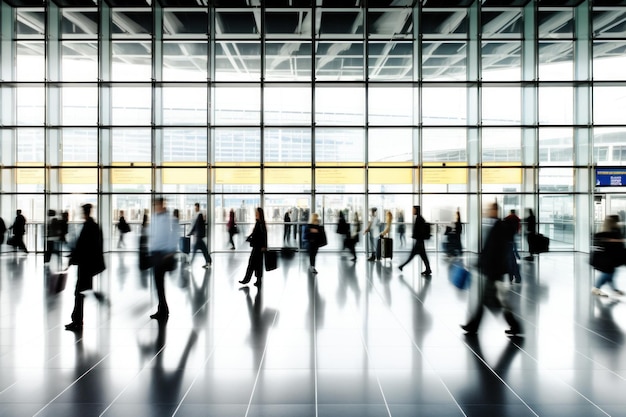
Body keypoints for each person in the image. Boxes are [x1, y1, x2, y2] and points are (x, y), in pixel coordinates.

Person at [461, 202, 522, 336]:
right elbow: (490, 249)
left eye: (490, 209)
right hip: (495, 270)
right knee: (494, 300)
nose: (488, 212)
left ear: (495, 211)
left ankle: (514, 325)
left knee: (494, 300)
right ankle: (474, 325)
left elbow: (495, 250)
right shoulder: (497, 226)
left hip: (496, 271)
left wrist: (484, 263)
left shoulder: (499, 226)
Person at [65, 204, 106, 332]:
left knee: (79, 292)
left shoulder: (89, 226)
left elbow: (83, 246)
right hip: (88, 264)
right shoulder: (93, 226)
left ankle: (77, 320)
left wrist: (73, 258)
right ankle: (77, 319)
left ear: (85, 212)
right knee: (81, 291)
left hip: (85, 264)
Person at [148, 197, 178, 320]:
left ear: (162, 205)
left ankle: (163, 310)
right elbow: (152, 235)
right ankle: (163, 309)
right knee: (158, 284)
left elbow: (175, 234)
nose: (156, 207)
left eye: (157, 205)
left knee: (159, 283)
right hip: (156, 254)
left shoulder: (169, 219)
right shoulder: (155, 218)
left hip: (164, 254)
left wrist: (170, 251)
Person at [591, 215, 625, 297]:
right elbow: (601, 238)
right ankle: (596, 288)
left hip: (611, 256)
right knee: (608, 273)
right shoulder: (610, 230)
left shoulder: (613, 229)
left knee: (611, 273)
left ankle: (614, 289)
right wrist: (616, 240)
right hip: (609, 257)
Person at [398, 205, 432, 276]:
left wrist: (415, 235)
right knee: (423, 256)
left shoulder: (419, 219)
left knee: (412, 255)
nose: (412, 211)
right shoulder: (419, 218)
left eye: (413, 209)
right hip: (420, 241)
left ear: (416, 210)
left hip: (419, 242)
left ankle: (402, 266)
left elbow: (420, 230)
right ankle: (428, 269)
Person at [239, 207, 267, 287]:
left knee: (251, 263)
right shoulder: (260, 222)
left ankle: (246, 279)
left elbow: (262, 235)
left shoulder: (260, 223)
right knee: (258, 264)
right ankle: (258, 281)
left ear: (259, 214)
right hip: (259, 247)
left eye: (257, 213)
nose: (255, 214)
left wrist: (263, 245)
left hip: (258, 247)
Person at [188, 202, 211, 268]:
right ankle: (208, 262)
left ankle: (190, 264)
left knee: (195, 250)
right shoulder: (198, 215)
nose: (195, 208)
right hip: (199, 236)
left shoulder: (200, 215)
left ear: (198, 207)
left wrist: (191, 232)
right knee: (204, 250)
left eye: (195, 207)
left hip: (198, 236)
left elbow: (196, 226)